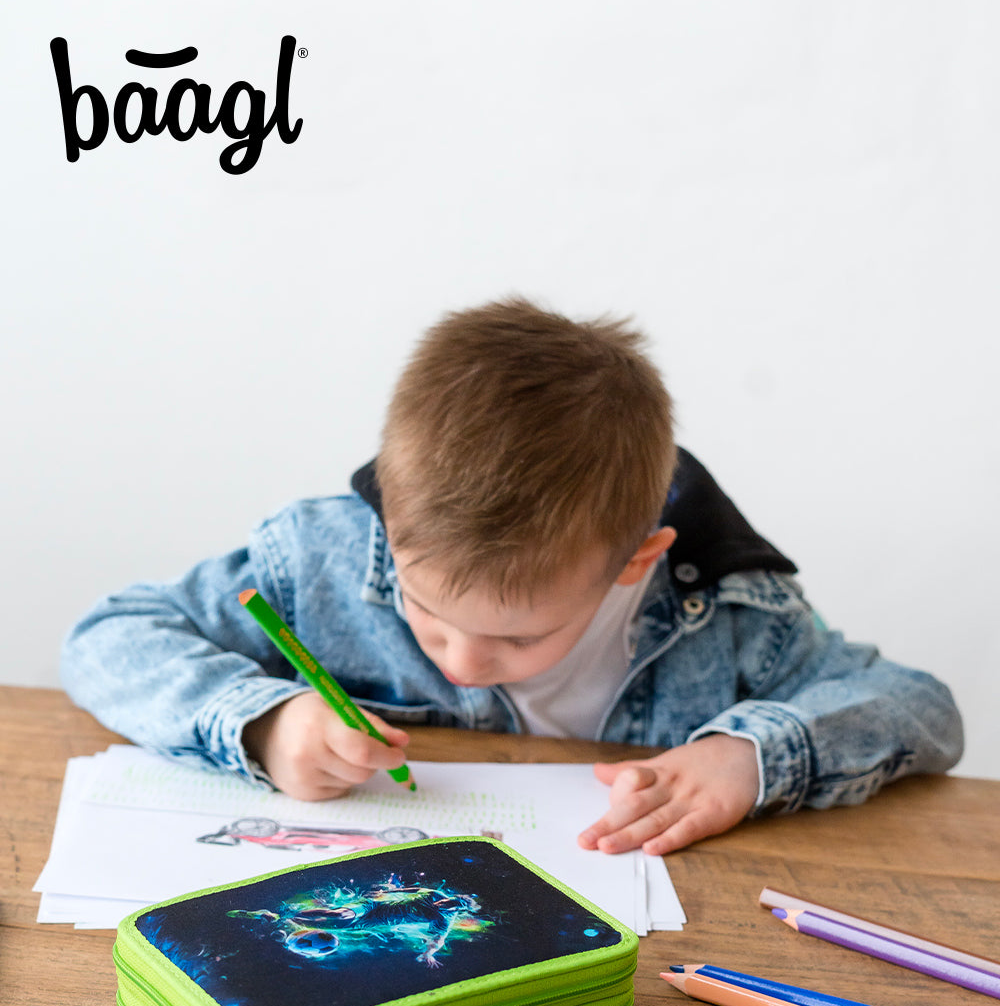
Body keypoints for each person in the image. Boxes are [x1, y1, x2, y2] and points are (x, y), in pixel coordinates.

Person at [61, 298, 963, 856]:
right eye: (425, 610)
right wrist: (265, 723)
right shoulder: (324, 562)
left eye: (520, 635)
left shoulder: (729, 616)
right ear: (389, 521)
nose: (460, 663)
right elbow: (111, 638)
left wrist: (751, 758)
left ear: (634, 561)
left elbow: (921, 707)